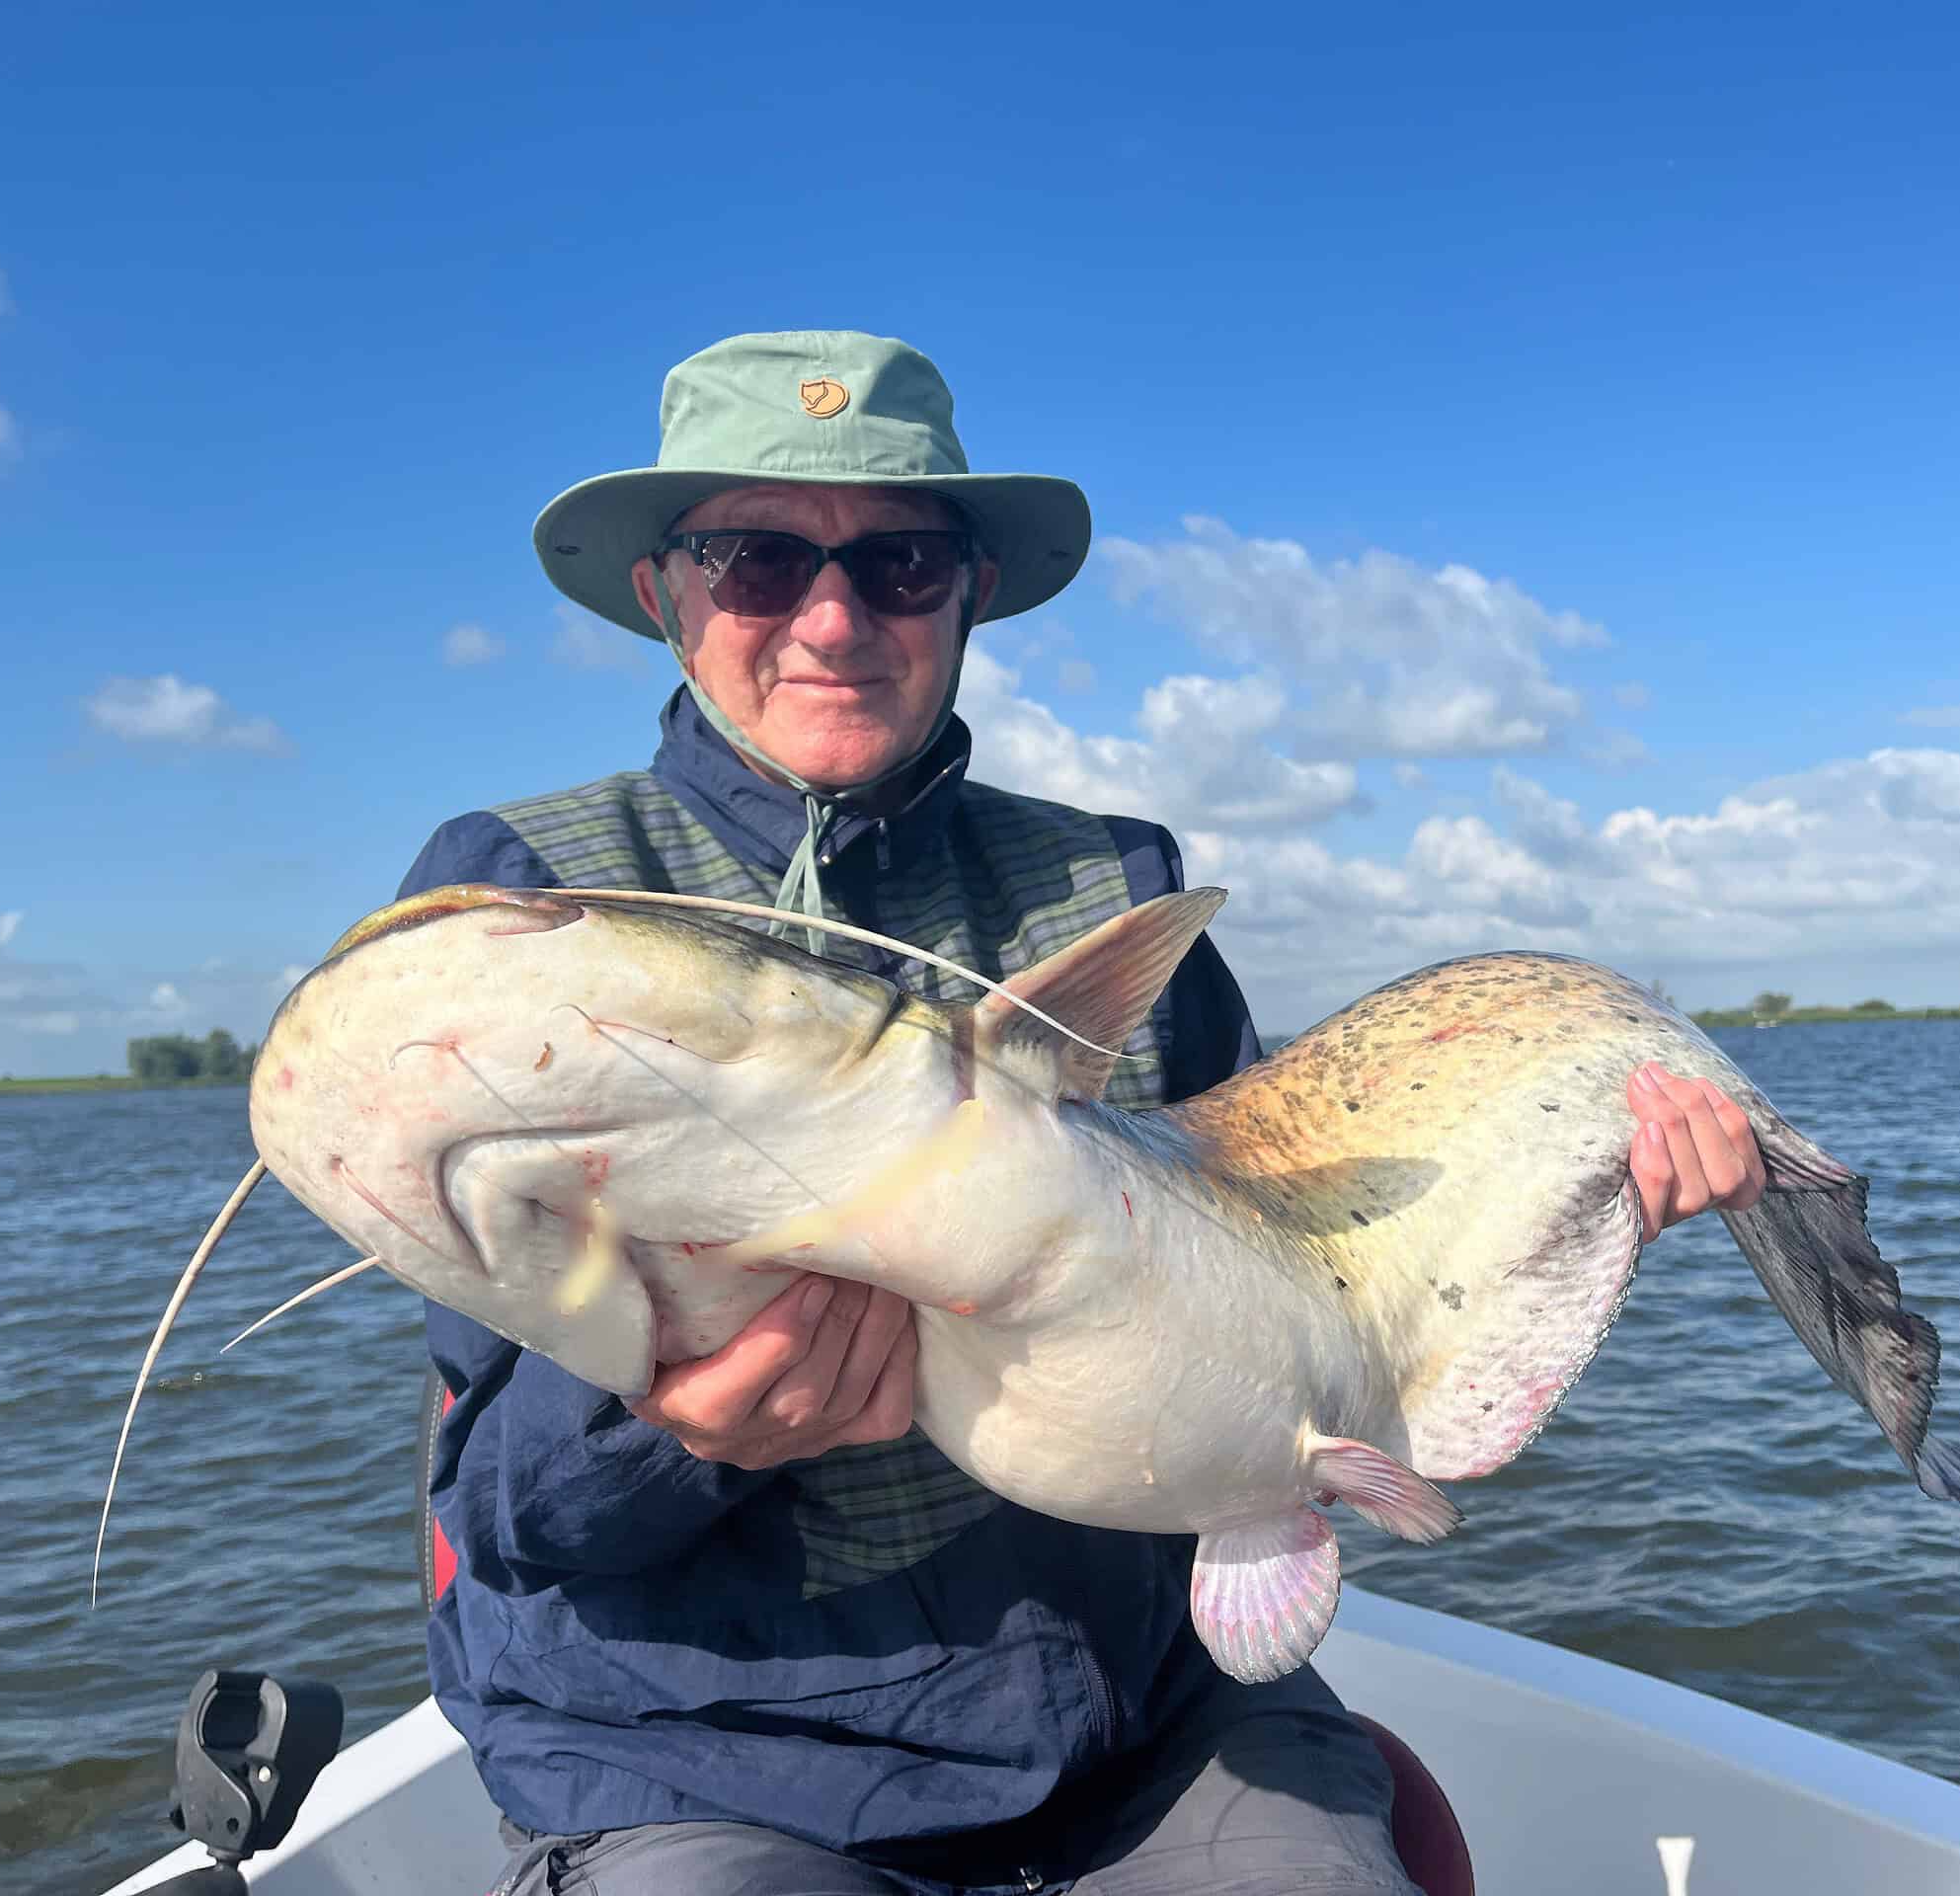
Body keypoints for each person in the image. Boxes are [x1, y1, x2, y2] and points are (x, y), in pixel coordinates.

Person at [401, 331, 1768, 1896]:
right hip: (698, 1750)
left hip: (1138, 1726)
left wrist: (1560, 1193)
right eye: (758, 561)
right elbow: (503, 1504)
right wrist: (681, 1440)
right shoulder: (529, 902)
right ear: (665, 594)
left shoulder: (1115, 883)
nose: (834, 620)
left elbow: (1299, 1265)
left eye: (901, 562)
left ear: (971, 591)